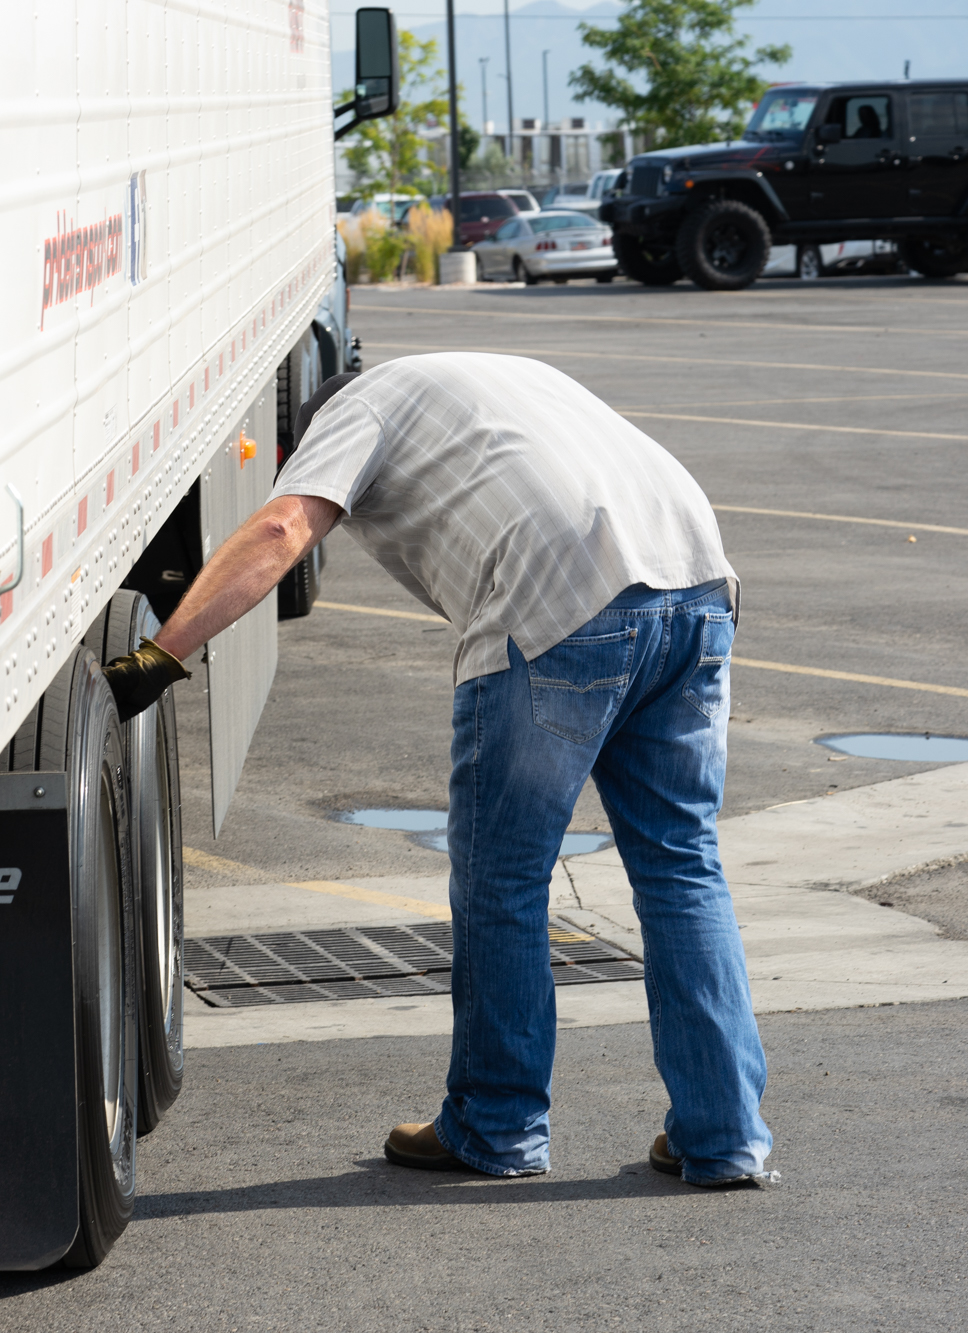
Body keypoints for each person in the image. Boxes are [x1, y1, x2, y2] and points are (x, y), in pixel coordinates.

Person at [104, 352, 775, 1187]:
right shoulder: (488, 379)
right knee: (682, 867)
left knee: (503, 884)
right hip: (698, 582)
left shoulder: (357, 410)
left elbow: (283, 529)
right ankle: (724, 1134)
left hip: (562, 603)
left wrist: (159, 655)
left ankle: (497, 1125)